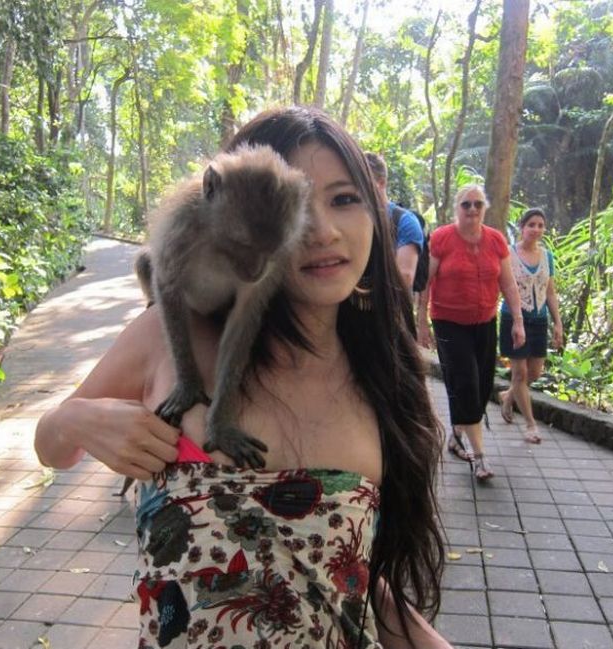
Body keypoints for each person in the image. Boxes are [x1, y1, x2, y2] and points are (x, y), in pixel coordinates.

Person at [35, 106, 452, 649]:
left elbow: (348, 585)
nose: (323, 231)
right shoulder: (167, 335)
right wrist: (76, 419)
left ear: (376, 210)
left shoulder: (383, 374)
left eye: (345, 199)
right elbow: (50, 447)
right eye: (304, 205)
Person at [417, 184, 525, 481]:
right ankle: (480, 458)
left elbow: (508, 283)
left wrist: (518, 321)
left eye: (478, 204)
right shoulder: (442, 238)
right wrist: (421, 322)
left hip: (485, 321)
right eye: (466, 204)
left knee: (481, 385)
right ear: (457, 208)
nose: (473, 209)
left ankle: (455, 435)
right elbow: (424, 283)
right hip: (448, 322)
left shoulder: (496, 240)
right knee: (466, 381)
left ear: (485, 208)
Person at [498, 207, 563, 443]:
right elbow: (502, 286)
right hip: (513, 319)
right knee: (520, 373)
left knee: (534, 372)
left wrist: (558, 323)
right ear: (522, 227)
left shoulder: (547, 256)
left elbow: (550, 292)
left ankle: (508, 396)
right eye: (531, 225)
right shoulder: (508, 254)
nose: (536, 229)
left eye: (540, 225)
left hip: (539, 320)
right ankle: (530, 425)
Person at [366, 153, 424, 291]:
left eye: (364, 182)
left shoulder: (405, 221)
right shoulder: (352, 218)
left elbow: (405, 277)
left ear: (381, 183)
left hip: (388, 302)